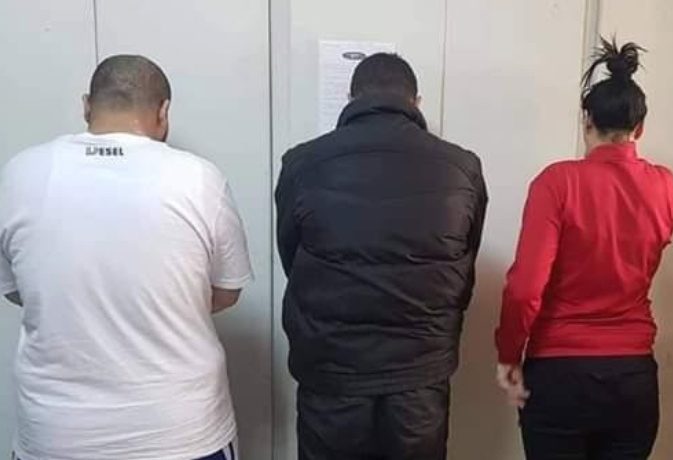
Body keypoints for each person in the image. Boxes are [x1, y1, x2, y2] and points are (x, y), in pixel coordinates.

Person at [0, 55, 252, 460]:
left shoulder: (19, 174)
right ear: (164, 112)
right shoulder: (201, 178)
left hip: (56, 435)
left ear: (86, 105)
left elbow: (17, 290)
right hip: (181, 432)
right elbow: (226, 291)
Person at [276, 53, 487, 460]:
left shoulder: (302, 164)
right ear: (416, 102)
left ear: (350, 97)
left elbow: (292, 259)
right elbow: (465, 261)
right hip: (420, 372)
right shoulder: (462, 168)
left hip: (332, 370)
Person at [495, 39, 673, 460]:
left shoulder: (557, 182)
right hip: (633, 375)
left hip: (559, 373)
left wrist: (509, 354)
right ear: (640, 128)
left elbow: (525, 289)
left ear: (586, 120)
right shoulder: (665, 185)